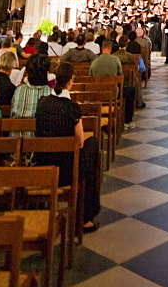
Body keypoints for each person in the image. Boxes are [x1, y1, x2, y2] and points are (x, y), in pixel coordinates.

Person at [35, 62, 101, 231]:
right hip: (66, 170)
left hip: (43, 164)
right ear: (71, 81)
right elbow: (79, 142)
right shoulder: (71, 107)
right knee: (92, 144)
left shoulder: (42, 102)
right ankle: (86, 217)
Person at [11, 54, 52, 119]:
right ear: (46, 73)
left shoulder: (19, 90)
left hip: (19, 127)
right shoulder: (51, 93)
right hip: (42, 128)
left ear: (28, 72)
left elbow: (13, 114)